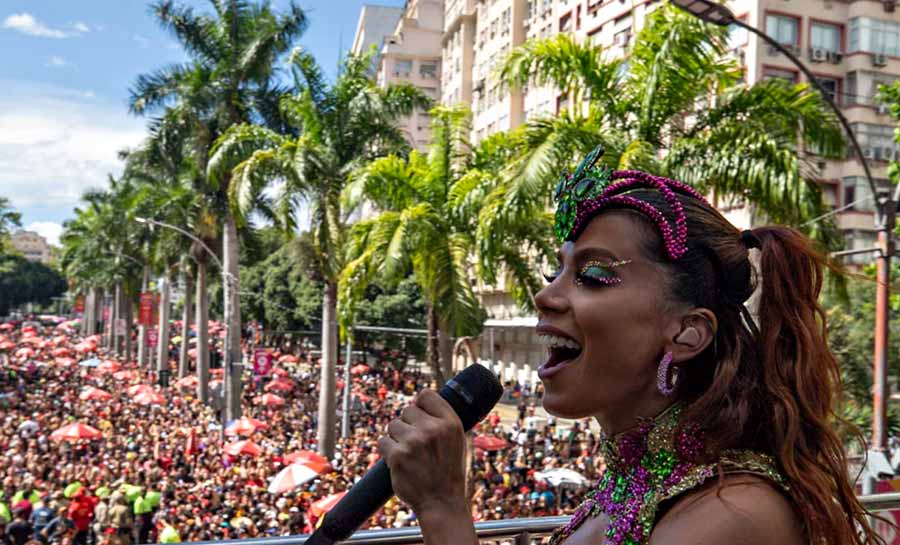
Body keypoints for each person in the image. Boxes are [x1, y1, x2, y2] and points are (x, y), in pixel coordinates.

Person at [377, 147, 886, 545]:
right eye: (556, 272)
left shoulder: (736, 513)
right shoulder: (623, 490)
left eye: (593, 276)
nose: (546, 295)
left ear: (688, 333)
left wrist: (444, 506)